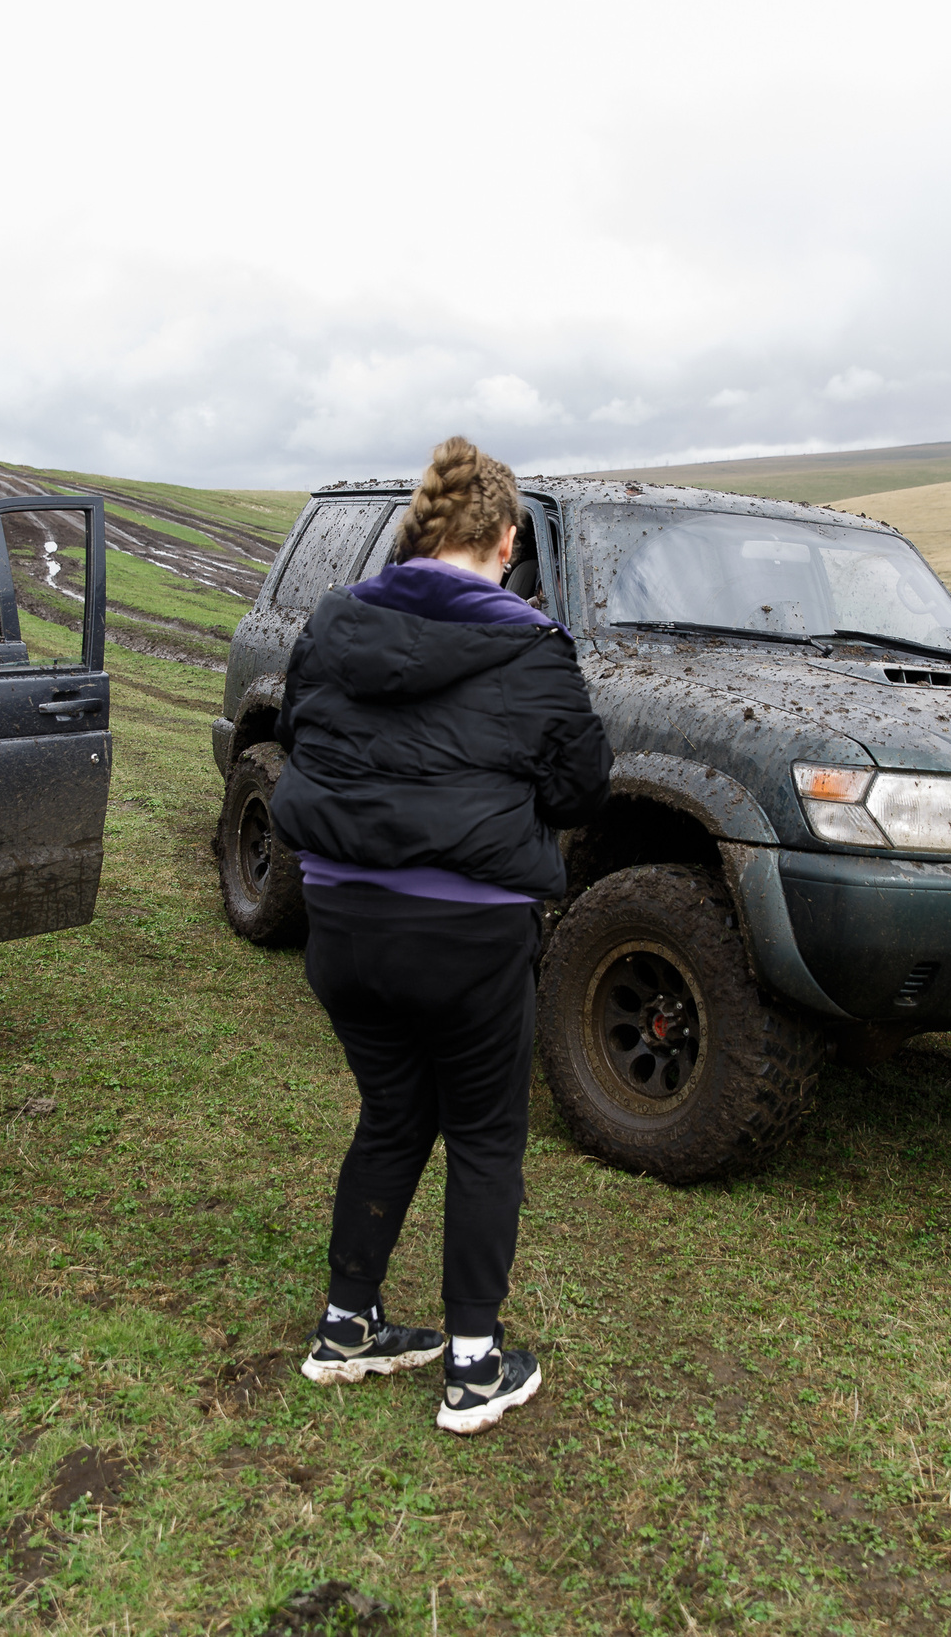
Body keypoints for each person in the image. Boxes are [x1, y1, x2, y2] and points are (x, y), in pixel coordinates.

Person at [269, 435, 612, 1434]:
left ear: (416, 534)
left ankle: (348, 1327)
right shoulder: (532, 647)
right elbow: (580, 787)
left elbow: (298, 737)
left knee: (392, 1114)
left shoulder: (332, 625)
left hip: (342, 923)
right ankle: (473, 1364)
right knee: (485, 1136)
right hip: (467, 933)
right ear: (505, 540)